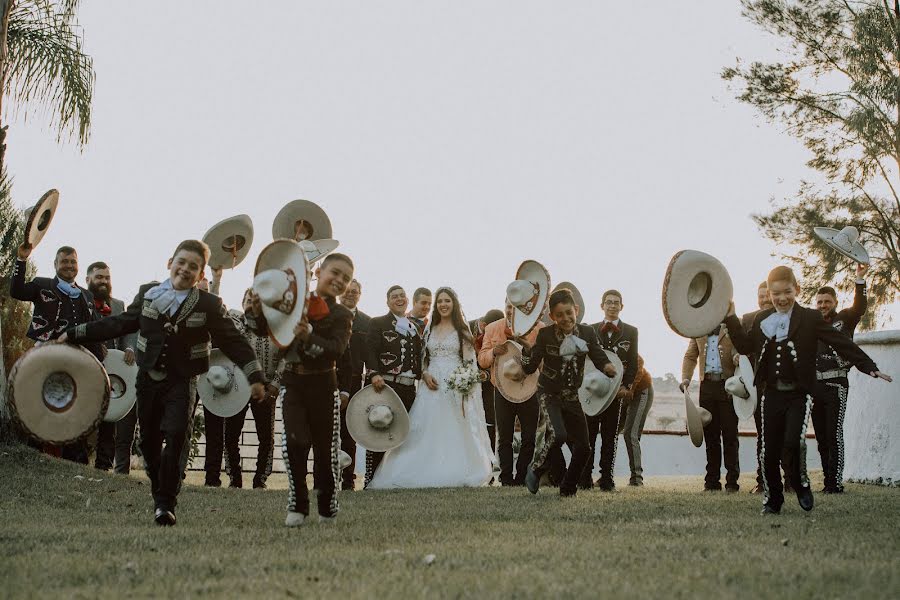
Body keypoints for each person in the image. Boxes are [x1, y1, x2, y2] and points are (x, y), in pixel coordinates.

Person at [61, 240, 266, 527]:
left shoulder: (209, 304)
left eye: (193, 266)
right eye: (181, 262)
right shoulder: (148, 294)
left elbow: (235, 341)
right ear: (171, 263)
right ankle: (161, 493)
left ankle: (165, 504)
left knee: (176, 434)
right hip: (147, 379)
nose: (185, 269)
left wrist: (255, 376)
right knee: (148, 443)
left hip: (182, 381)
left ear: (199, 274)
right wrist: (74, 333)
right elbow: (119, 324)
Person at [725, 266, 891, 515]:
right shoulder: (762, 319)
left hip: (799, 395)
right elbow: (746, 344)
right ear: (770, 293)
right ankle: (773, 500)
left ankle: (801, 482)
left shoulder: (811, 318)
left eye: (787, 292)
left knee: (792, 443)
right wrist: (730, 317)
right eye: (776, 293)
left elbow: (840, 341)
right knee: (768, 451)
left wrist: (868, 365)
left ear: (797, 290)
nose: (782, 298)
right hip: (770, 394)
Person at [250, 252, 355, 526]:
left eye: (346, 278)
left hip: (324, 384)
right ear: (319, 271)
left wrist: (309, 336)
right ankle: (297, 504)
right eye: (336, 272)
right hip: (293, 383)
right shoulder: (292, 300)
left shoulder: (342, 313)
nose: (340, 280)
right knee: (293, 444)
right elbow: (263, 329)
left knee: (325, 451)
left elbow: (336, 349)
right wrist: (256, 308)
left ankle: (327, 507)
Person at [368, 287, 494, 489]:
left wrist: (465, 382)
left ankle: (456, 469)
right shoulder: (429, 329)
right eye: (440, 301)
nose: (443, 304)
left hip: (453, 385)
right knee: (423, 428)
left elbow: (470, 362)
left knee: (452, 428)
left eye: (447, 301)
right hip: (431, 385)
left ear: (454, 304)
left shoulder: (462, 331)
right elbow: (423, 359)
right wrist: (425, 374)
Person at [10, 244, 105, 463]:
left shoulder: (87, 295)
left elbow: (95, 327)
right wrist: (21, 260)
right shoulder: (41, 285)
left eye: (73, 262)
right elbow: (15, 291)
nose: (69, 266)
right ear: (55, 265)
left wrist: (100, 355)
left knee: (75, 407)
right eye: (64, 261)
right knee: (38, 404)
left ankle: (75, 457)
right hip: (44, 355)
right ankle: (33, 452)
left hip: (76, 359)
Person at [519, 288, 616, 497]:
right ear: (552, 317)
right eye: (559, 315)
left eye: (569, 313)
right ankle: (536, 468)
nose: (565, 318)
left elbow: (598, 355)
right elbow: (529, 368)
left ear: (576, 310)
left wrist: (607, 366)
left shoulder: (588, 333)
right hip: (548, 395)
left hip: (572, 398)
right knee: (558, 435)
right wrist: (526, 350)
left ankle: (568, 488)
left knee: (584, 448)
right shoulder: (545, 335)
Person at [204, 288, 282, 489]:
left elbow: (287, 358)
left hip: (265, 387)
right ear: (242, 302)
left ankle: (260, 479)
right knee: (231, 434)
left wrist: (275, 384)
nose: (252, 304)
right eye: (248, 300)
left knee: (266, 436)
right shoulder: (234, 321)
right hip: (237, 386)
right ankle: (235, 477)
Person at [813, 263, 869, 493]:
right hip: (815, 386)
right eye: (819, 302)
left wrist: (860, 279)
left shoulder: (845, 318)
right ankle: (827, 481)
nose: (823, 305)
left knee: (834, 434)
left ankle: (834, 484)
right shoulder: (811, 325)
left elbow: (860, 307)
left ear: (835, 302)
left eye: (827, 301)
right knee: (821, 438)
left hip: (837, 384)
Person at [364, 285, 424, 486]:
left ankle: (395, 478)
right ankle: (371, 479)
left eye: (402, 296)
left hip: (409, 387)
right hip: (386, 384)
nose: (399, 299)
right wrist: (374, 374)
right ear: (387, 301)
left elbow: (418, 357)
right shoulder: (378, 322)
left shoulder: (413, 328)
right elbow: (370, 350)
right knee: (380, 428)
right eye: (394, 297)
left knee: (403, 431)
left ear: (407, 300)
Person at [478, 302, 542, 486]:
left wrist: (529, 348)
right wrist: (492, 352)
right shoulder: (492, 328)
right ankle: (505, 478)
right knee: (504, 437)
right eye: (509, 306)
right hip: (501, 390)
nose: (511, 310)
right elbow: (482, 360)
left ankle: (521, 477)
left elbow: (543, 362)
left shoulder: (539, 328)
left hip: (530, 390)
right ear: (504, 305)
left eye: (517, 307)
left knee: (529, 437)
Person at [84, 261, 137, 472]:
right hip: (86, 369)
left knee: (110, 419)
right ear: (88, 280)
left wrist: (130, 348)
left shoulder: (118, 304)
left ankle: (103, 466)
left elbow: (126, 332)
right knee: (85, 418)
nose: (104, 281)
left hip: (114, 372)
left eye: (107, 277)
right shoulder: (81, 301)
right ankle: (79, 462)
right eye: (99, 277)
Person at [582, 289, 638, 491]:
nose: (612, 306)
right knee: (588, 436)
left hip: (615, 393)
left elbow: (632, 363)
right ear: (602, 306)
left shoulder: (631, 331)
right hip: (592, 392)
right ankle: (585, 478)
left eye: (616, 303)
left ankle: (607, 478)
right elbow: (584, 361)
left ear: (621, 307)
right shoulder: (590, 329)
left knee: (610, 436)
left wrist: (627, 386)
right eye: (609, 302)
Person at [680, 324, 740, 492]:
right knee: (710, 436)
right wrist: (686, 378)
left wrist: (737, 357)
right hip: (706, 387)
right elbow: (691, 356)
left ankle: (732, 482)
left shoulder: (733, 324)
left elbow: (738, 349)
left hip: (728, 386)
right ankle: (712, 482)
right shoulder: (698, 327)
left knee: (730, 435)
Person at [741, 281, 776, 494]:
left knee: (786, 438)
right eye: (760, 296)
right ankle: (763, 481)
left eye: (766, 296)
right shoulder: (748, 319)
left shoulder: (786, 316)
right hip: (758, 386)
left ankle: (791, 480)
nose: (763, 300)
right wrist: (740, 356)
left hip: (783, 384)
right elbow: (743, 346)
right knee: (763, 435)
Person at [338, 278, 370, 490]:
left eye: (355, 291)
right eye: (347, 291)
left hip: (356, 382)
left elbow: (370, 356)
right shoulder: (328, 316)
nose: (350, 294)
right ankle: (323, 479)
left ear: (360, 294)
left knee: (348, 434)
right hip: (327, 380)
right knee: (323, 433)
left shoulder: (367, 323)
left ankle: (348, 480)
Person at [470, 308, 504, 453]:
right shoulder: (467, 328)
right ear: (484, 325)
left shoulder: (501, 330)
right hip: (468, 382)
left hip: (491, 383)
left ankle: (489, 458)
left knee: (491, 419)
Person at [620, 354, 654, 486]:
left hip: (641, 390)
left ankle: (636, 479)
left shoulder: (624, 338)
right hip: (620, 393)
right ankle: (606, 475)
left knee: (630, 434)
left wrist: (630, 388)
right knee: (611, 433)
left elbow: (639, 361)